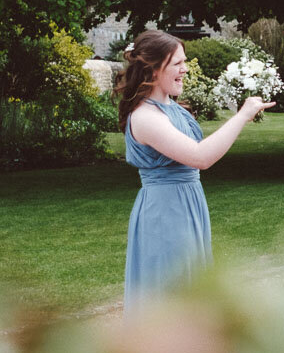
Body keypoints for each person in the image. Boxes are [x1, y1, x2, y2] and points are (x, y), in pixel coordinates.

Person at [117, 30, 275, 312]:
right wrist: (242, 115)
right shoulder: (145, 117)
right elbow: (200, 157)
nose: (185, 69)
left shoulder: (173, 108)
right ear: (153, 69)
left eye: (184, 61)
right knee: (171, 294)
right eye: (177, 63)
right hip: (165, 213)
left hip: (187, 204)